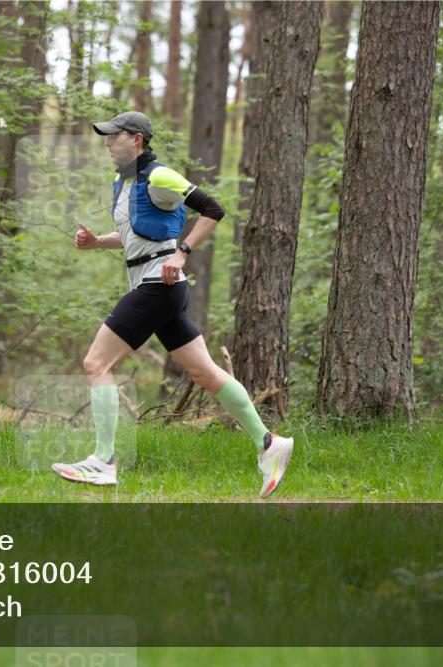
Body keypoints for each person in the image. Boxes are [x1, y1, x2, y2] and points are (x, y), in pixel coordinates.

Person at [52, 111, 293, 498]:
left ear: (137, 140)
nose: (107, 144)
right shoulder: (123, 182)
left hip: (159, 285)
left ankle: (103, 461)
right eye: (105, 138)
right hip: (161, 286)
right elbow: (137, 235)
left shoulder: (160, 176)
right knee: (206, 373)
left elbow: (213, 209)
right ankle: (269, 443)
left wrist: (181, 253)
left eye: (114, 137)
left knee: (96, 363)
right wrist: (97, 242)